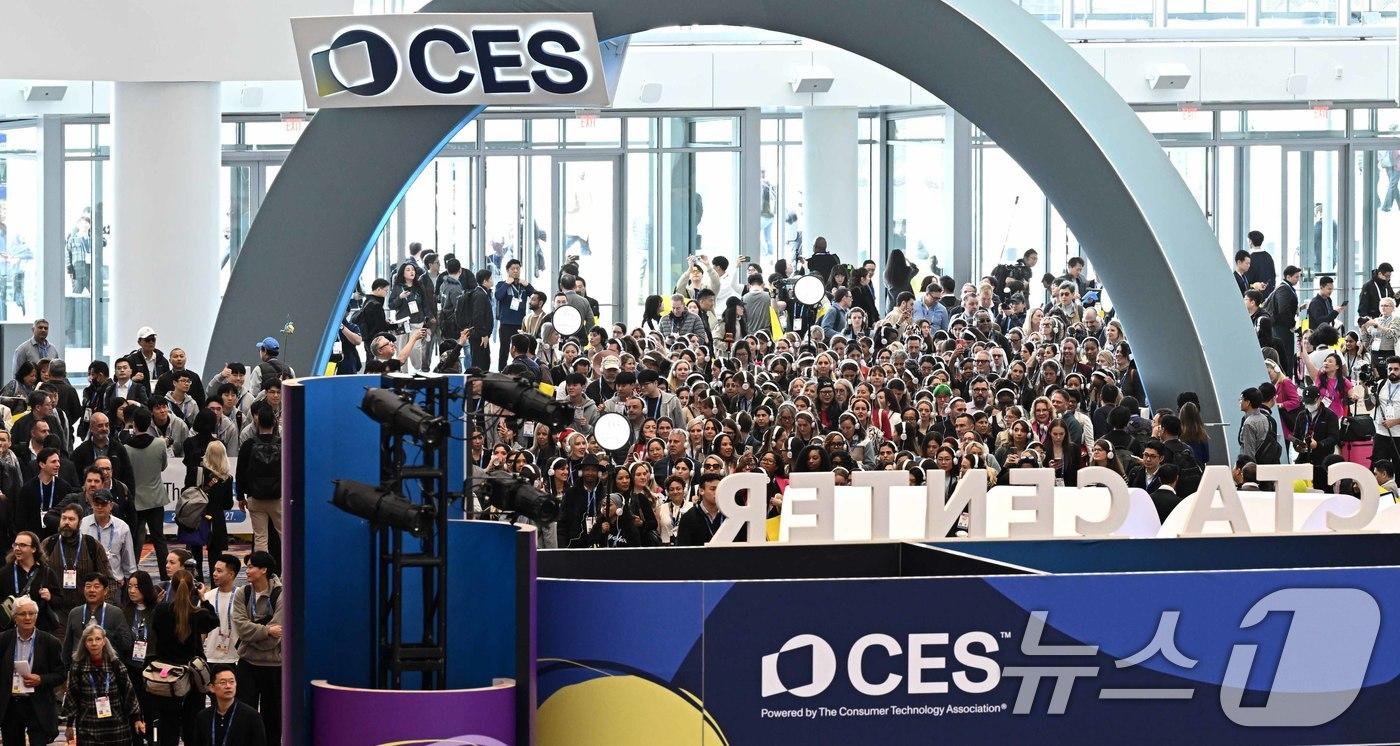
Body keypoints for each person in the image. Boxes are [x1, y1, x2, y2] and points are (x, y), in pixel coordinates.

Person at [149, 569, 218, 746]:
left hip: (166, 675)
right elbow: (213, 622)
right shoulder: (197, 613)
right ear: (192, 589)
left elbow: (155, 630)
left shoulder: (161, 610)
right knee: (192, 724)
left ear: (172, 586)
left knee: (167, 725)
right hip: (192, 676)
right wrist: (203, 599)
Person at [0, 596, 65, 746]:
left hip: (38, 704)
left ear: (37, 616)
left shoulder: (50, 642)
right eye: (22, 614)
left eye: (31, 613)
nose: (27, 617)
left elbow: (60, 674)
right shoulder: (3, 640)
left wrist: (41, 679)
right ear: (14, 617)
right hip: (11, 705)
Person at [231, 551, 281, 746]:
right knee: (244, 714)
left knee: (273, 718)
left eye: (251, 566)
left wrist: (257, 634)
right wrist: (267, 631)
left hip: (274, 665)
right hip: (247, 663)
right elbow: (241, 629)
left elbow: (275, 640)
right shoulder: (242, 593)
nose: (247, 570)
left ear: (264, 570)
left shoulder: (281, 594)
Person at [39, 505, 112, 623]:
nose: (66, 522)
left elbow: (108, 580)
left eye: (71, 519)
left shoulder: (92, 545)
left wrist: (104, 610)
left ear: (80, 522)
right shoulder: (48, 544)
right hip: (56, 614)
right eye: (64, 518)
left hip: (87, 612)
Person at [124, 406, 170, 579]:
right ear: (150, 422)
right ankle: (166, 575)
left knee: (136, 540)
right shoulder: (160, 443)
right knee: (159, 538)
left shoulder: (126, 448)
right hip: (156, 498)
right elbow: (163, 466)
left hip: (136, 500)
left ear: (134, 425)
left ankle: (133, 575)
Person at [237, 407, 282, 555]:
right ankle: (287, 573)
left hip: (255, 497)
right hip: (278, 497)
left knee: (260, 539)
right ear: (274, 423)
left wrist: (240, 496)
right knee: (285, 537)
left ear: (257, 423)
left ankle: (263, 572)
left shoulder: (248, 444)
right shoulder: (283, 444)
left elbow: (240, 472)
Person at [62, 572, 133, 663]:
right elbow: (67, 647)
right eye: (88, 586)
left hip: (108, 667)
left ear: (105, 590)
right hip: (80, 668)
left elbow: (127, 644)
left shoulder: (116, 613)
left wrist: (104, 633)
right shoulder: (75, 613)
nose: (91, 590)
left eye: (96, 586)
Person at [193, 668, 267, 746]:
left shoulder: (252, 716)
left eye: (232, 682)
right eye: (223, 682)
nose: (228, 686)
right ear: (212, 687)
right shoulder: (203, 716)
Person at [78, 488, 137, 583]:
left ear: (111, 505)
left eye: (103, 504)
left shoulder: (122, 527)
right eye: (96, 504)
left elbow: (129, 561)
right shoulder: (82, 525)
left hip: (114, 581)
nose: (100, 507)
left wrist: (130, 583)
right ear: (92, 505)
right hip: (88, 582)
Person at [15, 447, 75, 540]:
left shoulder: (65, 487)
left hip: (59, 538)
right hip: (34, 539)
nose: (58, 465)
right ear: (42, 464)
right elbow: (21, 519)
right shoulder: (27, 489)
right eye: (53, 462)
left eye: (58, 461)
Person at [203, 554, 242, 672]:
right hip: (210, 656)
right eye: (215, 570)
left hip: (235, 657)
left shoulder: (242, 596)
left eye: (219, 571)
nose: (214, 574)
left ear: (231, 574)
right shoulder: (207, 596)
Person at [494, 259, 534, 371]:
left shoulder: (523, 285)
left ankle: (521, 368)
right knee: (504, 348)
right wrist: (507, 284)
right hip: (506, 322)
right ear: (508, 270)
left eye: (518, 268)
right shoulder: (502, 284)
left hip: (520, 322)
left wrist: (528, 285)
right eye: (513, 269)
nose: (516, 271)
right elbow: (498, 296)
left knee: (521, 348)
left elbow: (536, 297)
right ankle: (501, 370)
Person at [675, 473, 725, 546]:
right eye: (713, 489)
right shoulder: (688, 517)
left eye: (719, 489)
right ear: (701, 491)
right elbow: (683, 548)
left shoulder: (727, 515)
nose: (717, 492)